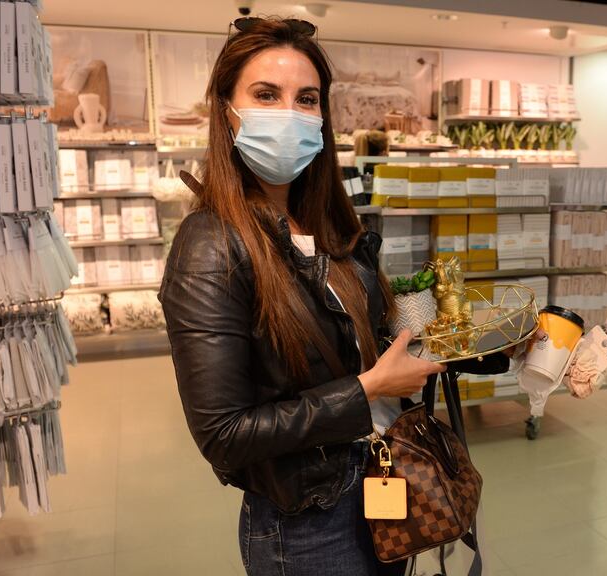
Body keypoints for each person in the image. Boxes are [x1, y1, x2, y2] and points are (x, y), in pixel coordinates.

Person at [159, 17, 507, 576]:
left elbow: (361, 340)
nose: (289, 115)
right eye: (266, 95)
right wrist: (370, 388)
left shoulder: (325, 222)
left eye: (307, 99)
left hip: (380, 489)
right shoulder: (210, 246)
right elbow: (224, 435)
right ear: (227, 109)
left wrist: (480, 343)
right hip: (308, 524)